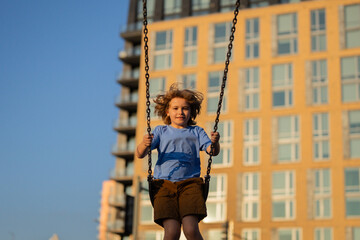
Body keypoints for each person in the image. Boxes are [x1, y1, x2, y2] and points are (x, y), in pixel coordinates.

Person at [136, 84, 220, 240]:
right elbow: (140, 154)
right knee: (172, 232)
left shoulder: (197, 131)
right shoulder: (161, 131)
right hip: (164, 186)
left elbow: (212, 151)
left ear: (191, 112)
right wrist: (144, 143)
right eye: (175, 108)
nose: (180, 112)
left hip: (190, 184)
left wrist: (215, 142)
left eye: (185, 108)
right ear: (167, 111)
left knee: (190, 229)